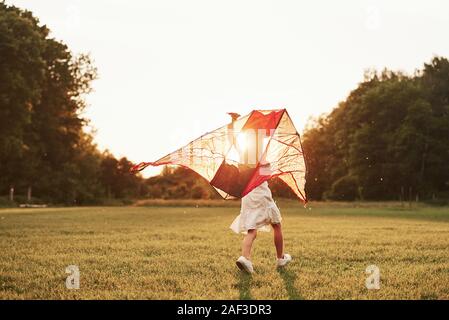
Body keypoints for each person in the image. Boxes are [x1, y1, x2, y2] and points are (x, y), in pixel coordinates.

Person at [230, 178, 292, 273]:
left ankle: (245, 257)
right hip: (260, 194)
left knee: (251, 230)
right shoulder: (262, 162)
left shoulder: (242, 162)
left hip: (247, 195)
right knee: (276, 225)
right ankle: (281, 258)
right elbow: (265, 173)